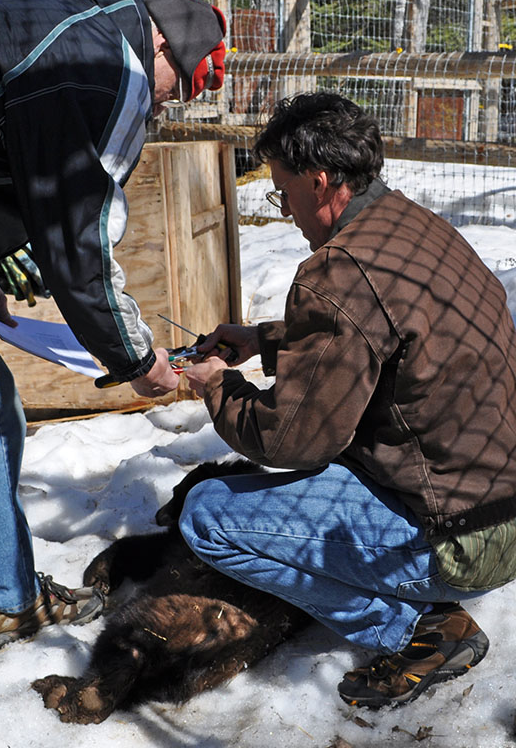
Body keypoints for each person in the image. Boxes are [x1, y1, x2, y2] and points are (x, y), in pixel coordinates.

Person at [0, 0, 226, 649]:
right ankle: (4, 600)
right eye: (179, 87)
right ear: (162, 45)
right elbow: (76, 235)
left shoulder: (65, 22)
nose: (167, 103)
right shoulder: (99, 67)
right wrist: (135, 359)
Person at [182, 91, 516, 709]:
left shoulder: (337, 271)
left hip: (458, 541)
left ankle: (420, 629)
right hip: (499, 506)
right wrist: (266, 340)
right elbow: (383, 340)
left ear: (319, 181)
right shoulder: (418, 227)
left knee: (207, 516)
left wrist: (216, 386)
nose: (285, 211)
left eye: (283, 192)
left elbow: (292, 440)